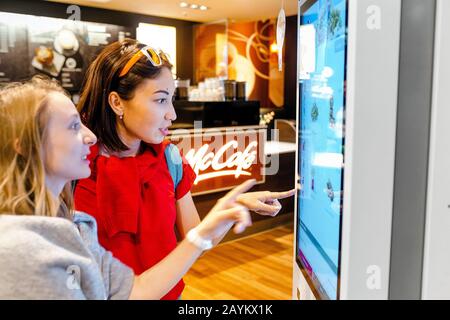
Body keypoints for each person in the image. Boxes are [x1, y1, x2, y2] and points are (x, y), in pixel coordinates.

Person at [0, 76, 259, 299]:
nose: (89, 136)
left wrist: (208, 228)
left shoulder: (75, 225)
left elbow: (134, 290)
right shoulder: (18, 250)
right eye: (73, 126)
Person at [74, 39, 295, 299]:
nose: (172, 114)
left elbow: (197, 240)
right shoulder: (75, 163)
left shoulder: (170, 158)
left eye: (171, 101)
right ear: (117, 102)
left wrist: (232, 210)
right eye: (160, 100)